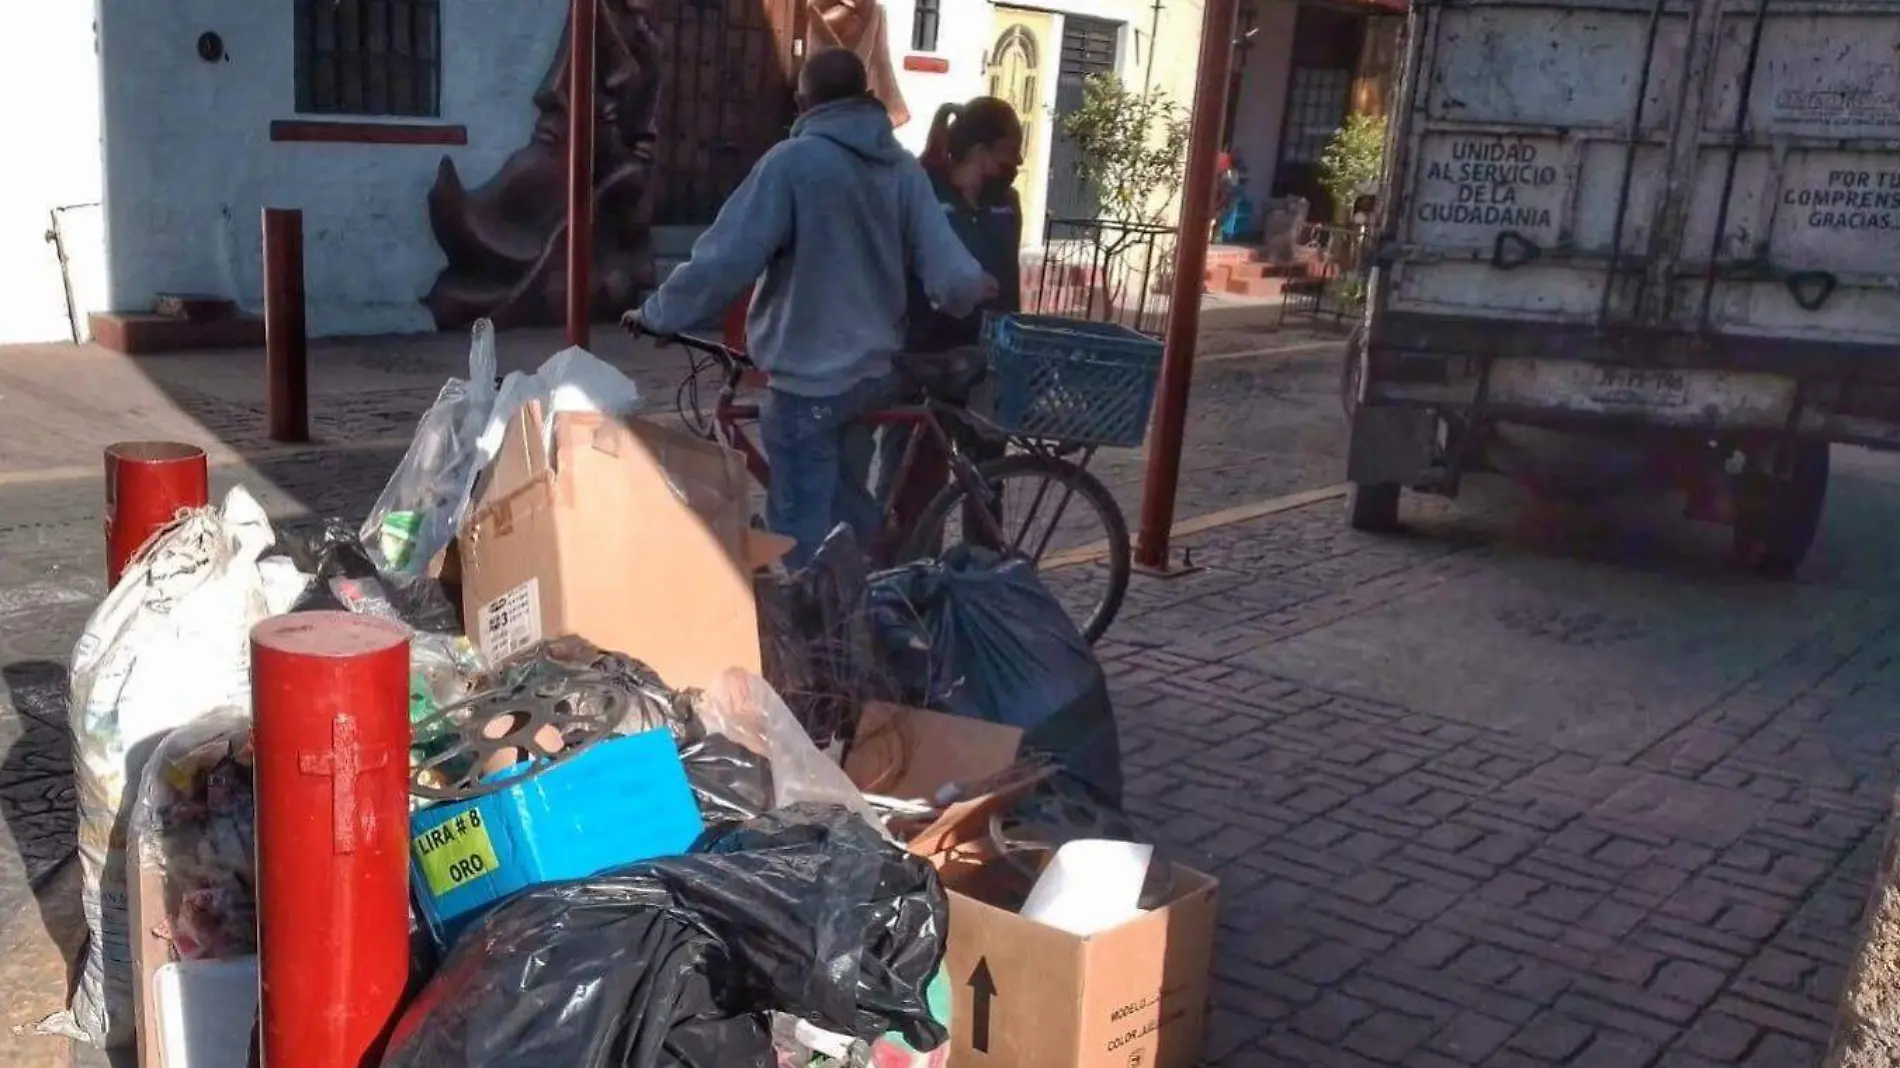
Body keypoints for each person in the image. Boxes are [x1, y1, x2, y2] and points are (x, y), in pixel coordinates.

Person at [622, 48, 993, 568]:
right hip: (871, 375)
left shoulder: (794, 163)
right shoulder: (902, 169)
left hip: (809, 383)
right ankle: (877, 561)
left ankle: (819, 638)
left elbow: (725, 258)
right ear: (865, 97)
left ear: (803, 102)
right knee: (843, 513)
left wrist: (659, 315)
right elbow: (951, 275)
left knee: (800, 540)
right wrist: (977, 287)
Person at [880, 97, 1025, 533]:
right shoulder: (923, 191)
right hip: (924, 355)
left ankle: (979, 581)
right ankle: (910, 584)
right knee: (914, 493)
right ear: (981, 152)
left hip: (984, 360)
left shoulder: (1007, 204)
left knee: (985, 487)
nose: (1013, 167)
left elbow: (1010, 282)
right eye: (1008, 156)